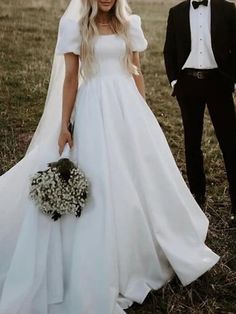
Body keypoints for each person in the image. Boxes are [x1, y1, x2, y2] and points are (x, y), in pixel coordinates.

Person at [0, 0, 219, 313]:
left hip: (127, 105)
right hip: (93, 107)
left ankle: (148, 247)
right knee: (100, 177)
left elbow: (135, 69)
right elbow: (72, 78)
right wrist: (64, 124)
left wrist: (143, 111)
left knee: (140, 173)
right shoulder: (74, 27)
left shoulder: (130, 23)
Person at [163, 0, 236, 226]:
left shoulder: (228, 9)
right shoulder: (176, 13)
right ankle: (197, 196)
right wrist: (175, 81)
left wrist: (233, 80)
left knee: (231, 144)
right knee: (192, 144)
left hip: (219, 84)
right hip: (189, 84)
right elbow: (169, 50)